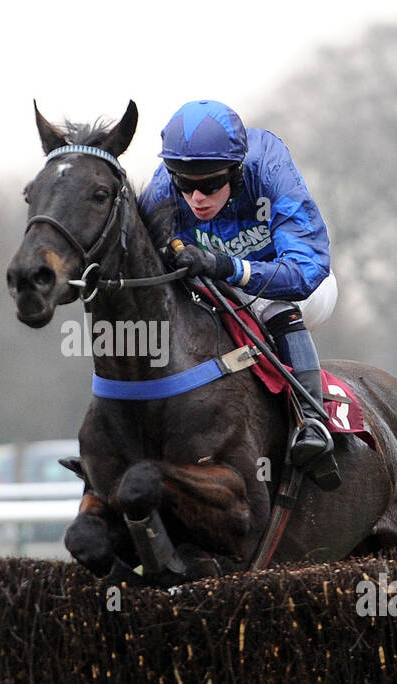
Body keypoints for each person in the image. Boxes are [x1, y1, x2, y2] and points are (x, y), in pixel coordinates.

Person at [138, 99, 351, 490]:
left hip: (298, 289)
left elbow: (306, 269)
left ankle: (312, 422)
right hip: (213, 290)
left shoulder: (269, 167)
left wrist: (232, 268)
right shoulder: (163, 185)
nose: (196, 197)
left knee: (272, 303)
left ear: (236, 172)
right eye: (185, 184)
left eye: (210, 184)